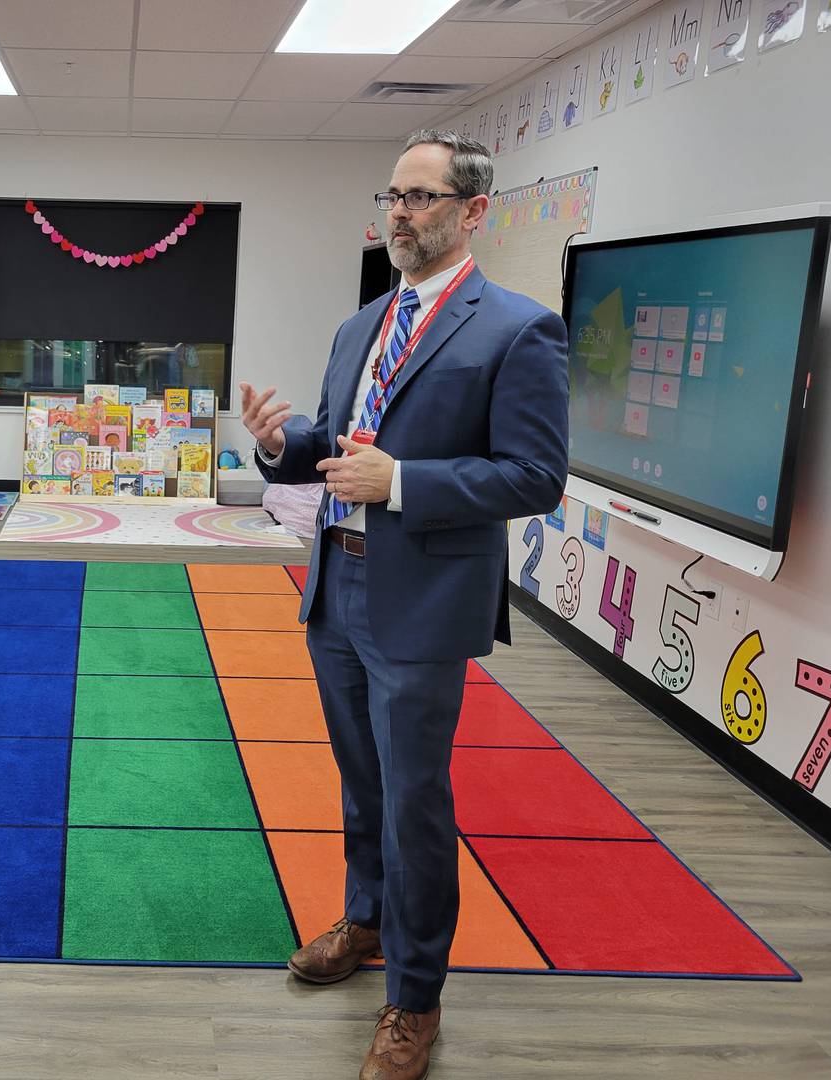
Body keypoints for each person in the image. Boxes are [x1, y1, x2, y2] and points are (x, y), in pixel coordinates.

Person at [240, 130, 568, 1080]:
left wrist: (406, 483)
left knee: (415, 799)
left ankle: (414, 999)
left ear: (471, 213)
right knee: (361, 783)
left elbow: (535, 475)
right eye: (392, 194)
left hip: (420, 601)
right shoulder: (363, 325)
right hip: (335, 588)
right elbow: (337, 446)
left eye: (421, 197)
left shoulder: (516, 327)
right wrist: (279, 444)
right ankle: (369, 922)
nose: (399, 211)